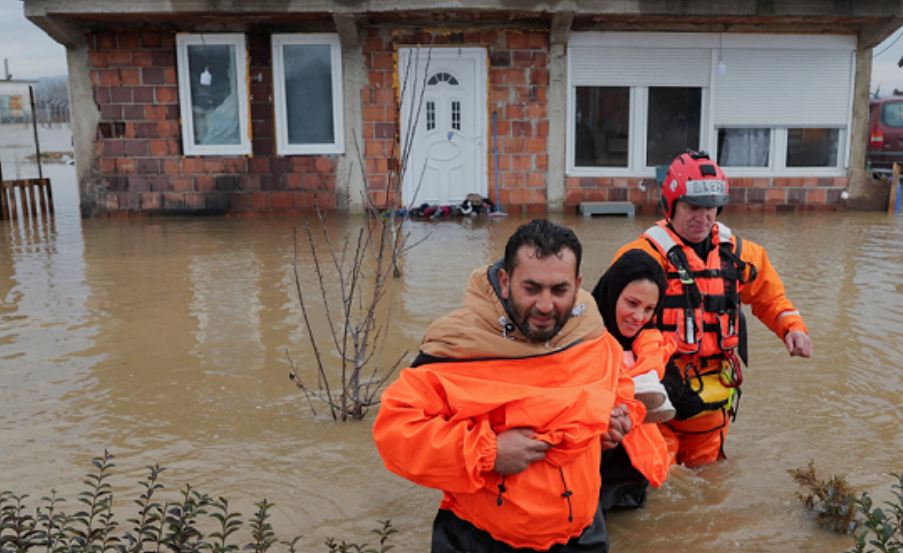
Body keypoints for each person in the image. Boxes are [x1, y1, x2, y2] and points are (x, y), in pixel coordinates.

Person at [373, 219, 643, 553]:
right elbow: (396, 433)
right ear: (505, 282)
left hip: (583, 534)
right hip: (481, 540)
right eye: (531, 289)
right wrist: (489, 453)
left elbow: (619, 381)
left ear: (577, 285)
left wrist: (617, 417)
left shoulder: (589, 330)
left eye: (559, 290)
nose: (545, 306)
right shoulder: (457, 344)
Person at [613, 150, 813, 468]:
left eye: (710, 209)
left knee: (707, 485)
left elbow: (771, 299)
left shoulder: (742, 253)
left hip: (712, 399)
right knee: (656, 482)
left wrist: (793, 328)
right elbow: (612, 328)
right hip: (656, 398)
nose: (702, 218)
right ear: (671, 204)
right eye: (692, 207)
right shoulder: (641, 257)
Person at [592, 249, 677, 512]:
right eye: (631, 303)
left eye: (649, 308)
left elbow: (678, 393)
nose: (639, 317)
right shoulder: (579, 338)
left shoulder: (651, 341)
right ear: (613, 292)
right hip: (592, 476)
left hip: (635, 476)